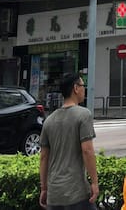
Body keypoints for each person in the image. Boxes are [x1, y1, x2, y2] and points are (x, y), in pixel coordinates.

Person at [39, 72, 98, 210]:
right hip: (76, 193)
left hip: (54, 195)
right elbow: (87, 150)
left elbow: (43, 157)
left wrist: (44, 188)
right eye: (83, 85)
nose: (85, 89)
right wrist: (94, 182)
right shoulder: (83, 115)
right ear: (76, 88)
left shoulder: (49, 120)